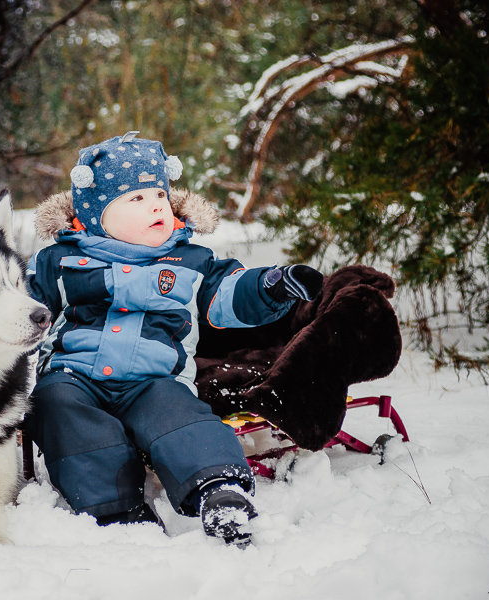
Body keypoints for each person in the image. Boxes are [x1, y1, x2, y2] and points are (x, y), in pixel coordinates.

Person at [25, 132, 324, 545]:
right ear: (96, 214)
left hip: (155, 379)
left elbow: (229, 295)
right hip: (74, 375)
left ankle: (220, 490)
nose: (155, 206)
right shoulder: (59, 262)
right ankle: (114, 508)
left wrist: (273, 285)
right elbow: (18, 308)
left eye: (159, 197)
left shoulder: (191, 259)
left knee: (182, 418)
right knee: (58, 410)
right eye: (136, 199)